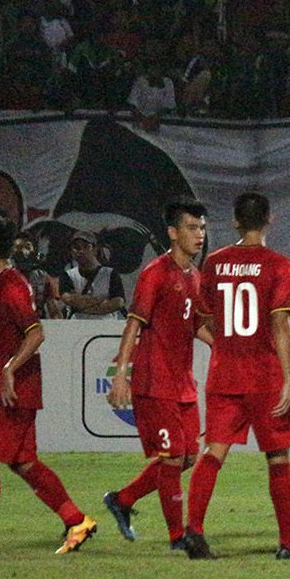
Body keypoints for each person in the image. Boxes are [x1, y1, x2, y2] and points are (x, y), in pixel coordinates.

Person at [0, 215, 97, 555]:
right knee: (24, 462)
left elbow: (36, 332)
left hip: (11, 386)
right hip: (20, 383)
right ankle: (76, 520)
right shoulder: (7, 282)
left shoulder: (10, 286)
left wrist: (9, 369)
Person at [181, 193, 290, 560]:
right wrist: (288, 376)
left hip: (224, 374)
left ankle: (194, 530)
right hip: (264, 376)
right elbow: (280, 325)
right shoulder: (280, 266)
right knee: (278, 458)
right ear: (270, 219)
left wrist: (222, 344)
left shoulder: (215, 263)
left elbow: (203, 320)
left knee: (214, 453)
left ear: (236, 221)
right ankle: (287, 543)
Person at [102, 198, 210, 549]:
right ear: (173, 232)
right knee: (172, 457)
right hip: (155, 381)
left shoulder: (194, 276)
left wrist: (226, 348)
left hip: (183, 383)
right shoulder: (155, 273)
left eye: (203, 228)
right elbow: (134, 324)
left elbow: (195, 325)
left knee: (190, 457)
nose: (200, 235)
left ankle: (122, 499)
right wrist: (121, 375)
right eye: (192, 228)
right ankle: (177, 537)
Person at [59, 230, 125, 320]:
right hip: (76, 326)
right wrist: (100, 300)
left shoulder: (110, 274)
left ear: (95, 249)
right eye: (76, 247)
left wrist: (82, 305)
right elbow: (69, 299)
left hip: (105, 325)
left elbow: (118, 302)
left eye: (86, 247)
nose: (80, 251)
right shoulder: (68, 275)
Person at [12, 231, 63, 319]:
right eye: (19, 247)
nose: (24, 251)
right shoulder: (5, 277)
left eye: (27, 247)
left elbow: (53, 309)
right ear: (12, 251)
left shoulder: (42, 277)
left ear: (33, 250)